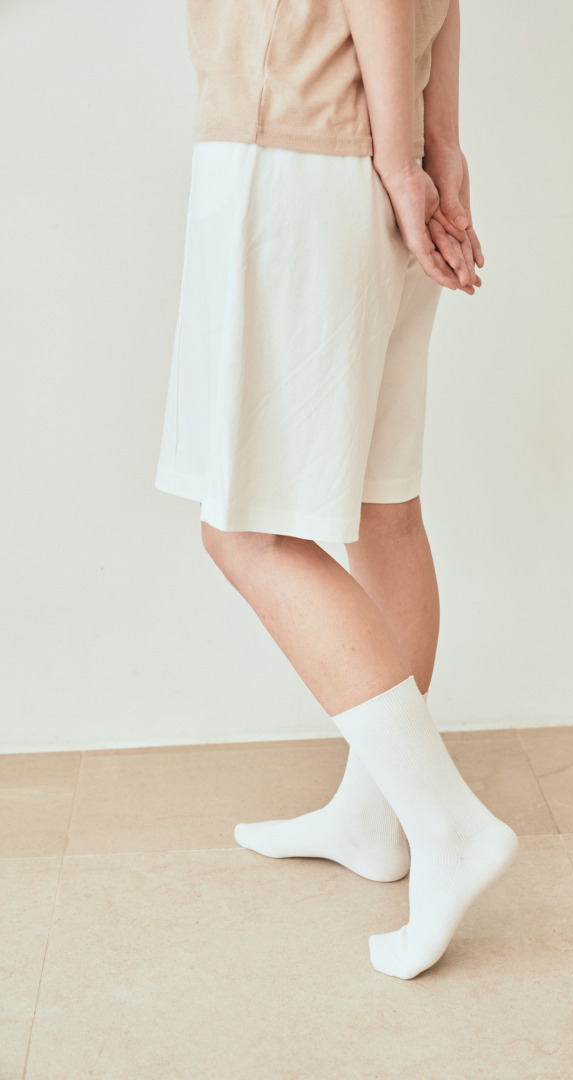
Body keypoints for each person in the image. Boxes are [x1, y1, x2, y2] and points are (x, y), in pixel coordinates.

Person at [154, 0, 518, 980]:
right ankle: (376, 816)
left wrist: (406, 164)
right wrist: (433, 151)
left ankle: (446, 824)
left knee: (246, 533)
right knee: (379, 512)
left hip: (291, 158)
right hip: (368, 162)